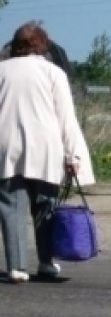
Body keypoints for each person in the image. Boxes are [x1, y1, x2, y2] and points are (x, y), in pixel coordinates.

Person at [0, 22, 94, 283]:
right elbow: (66, 118)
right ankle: (46, 262)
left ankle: (16, 266)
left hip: (6, 148)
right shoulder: (53, 73)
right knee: (45, 207)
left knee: (11, 209)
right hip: (46, 149)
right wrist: (73, 155)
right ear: (42, 44)